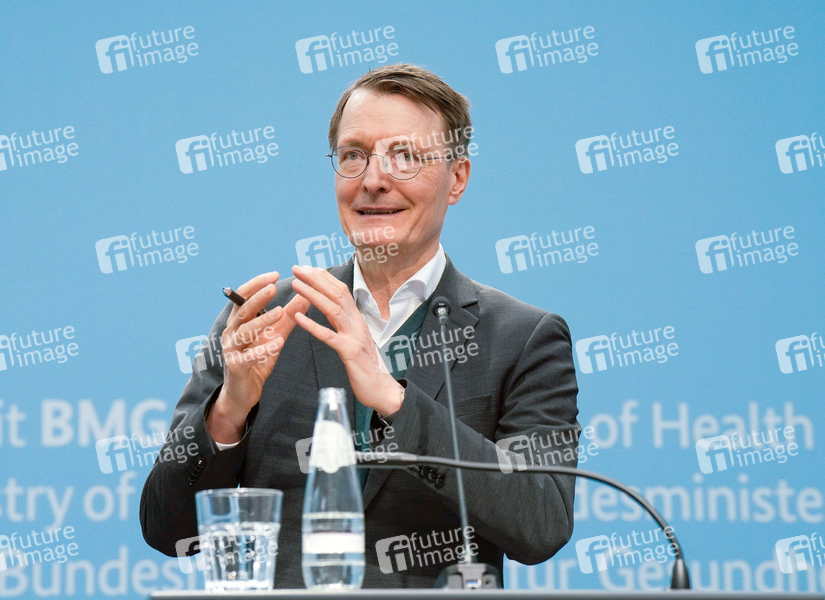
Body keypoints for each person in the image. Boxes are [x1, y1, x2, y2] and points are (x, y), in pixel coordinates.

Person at [140, 63, 579, 588]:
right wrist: (228, 413)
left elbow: (542, 525)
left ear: (457, 178)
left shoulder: (523, 338)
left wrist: (395, 399)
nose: (373, 180)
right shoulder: (266, 319)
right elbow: (167, 529)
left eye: (405, 156)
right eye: (353, 155)